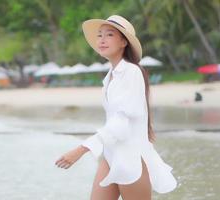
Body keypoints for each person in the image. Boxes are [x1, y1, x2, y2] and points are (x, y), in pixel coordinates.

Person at [54, 15, 177, 200]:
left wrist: (80, 150)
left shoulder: (132, 72)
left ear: (123, 42)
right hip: (111, 154)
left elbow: (120, 124)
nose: (102, 40)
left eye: (109, 34)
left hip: (131, 157)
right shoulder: (110, 76)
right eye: (100, 35)